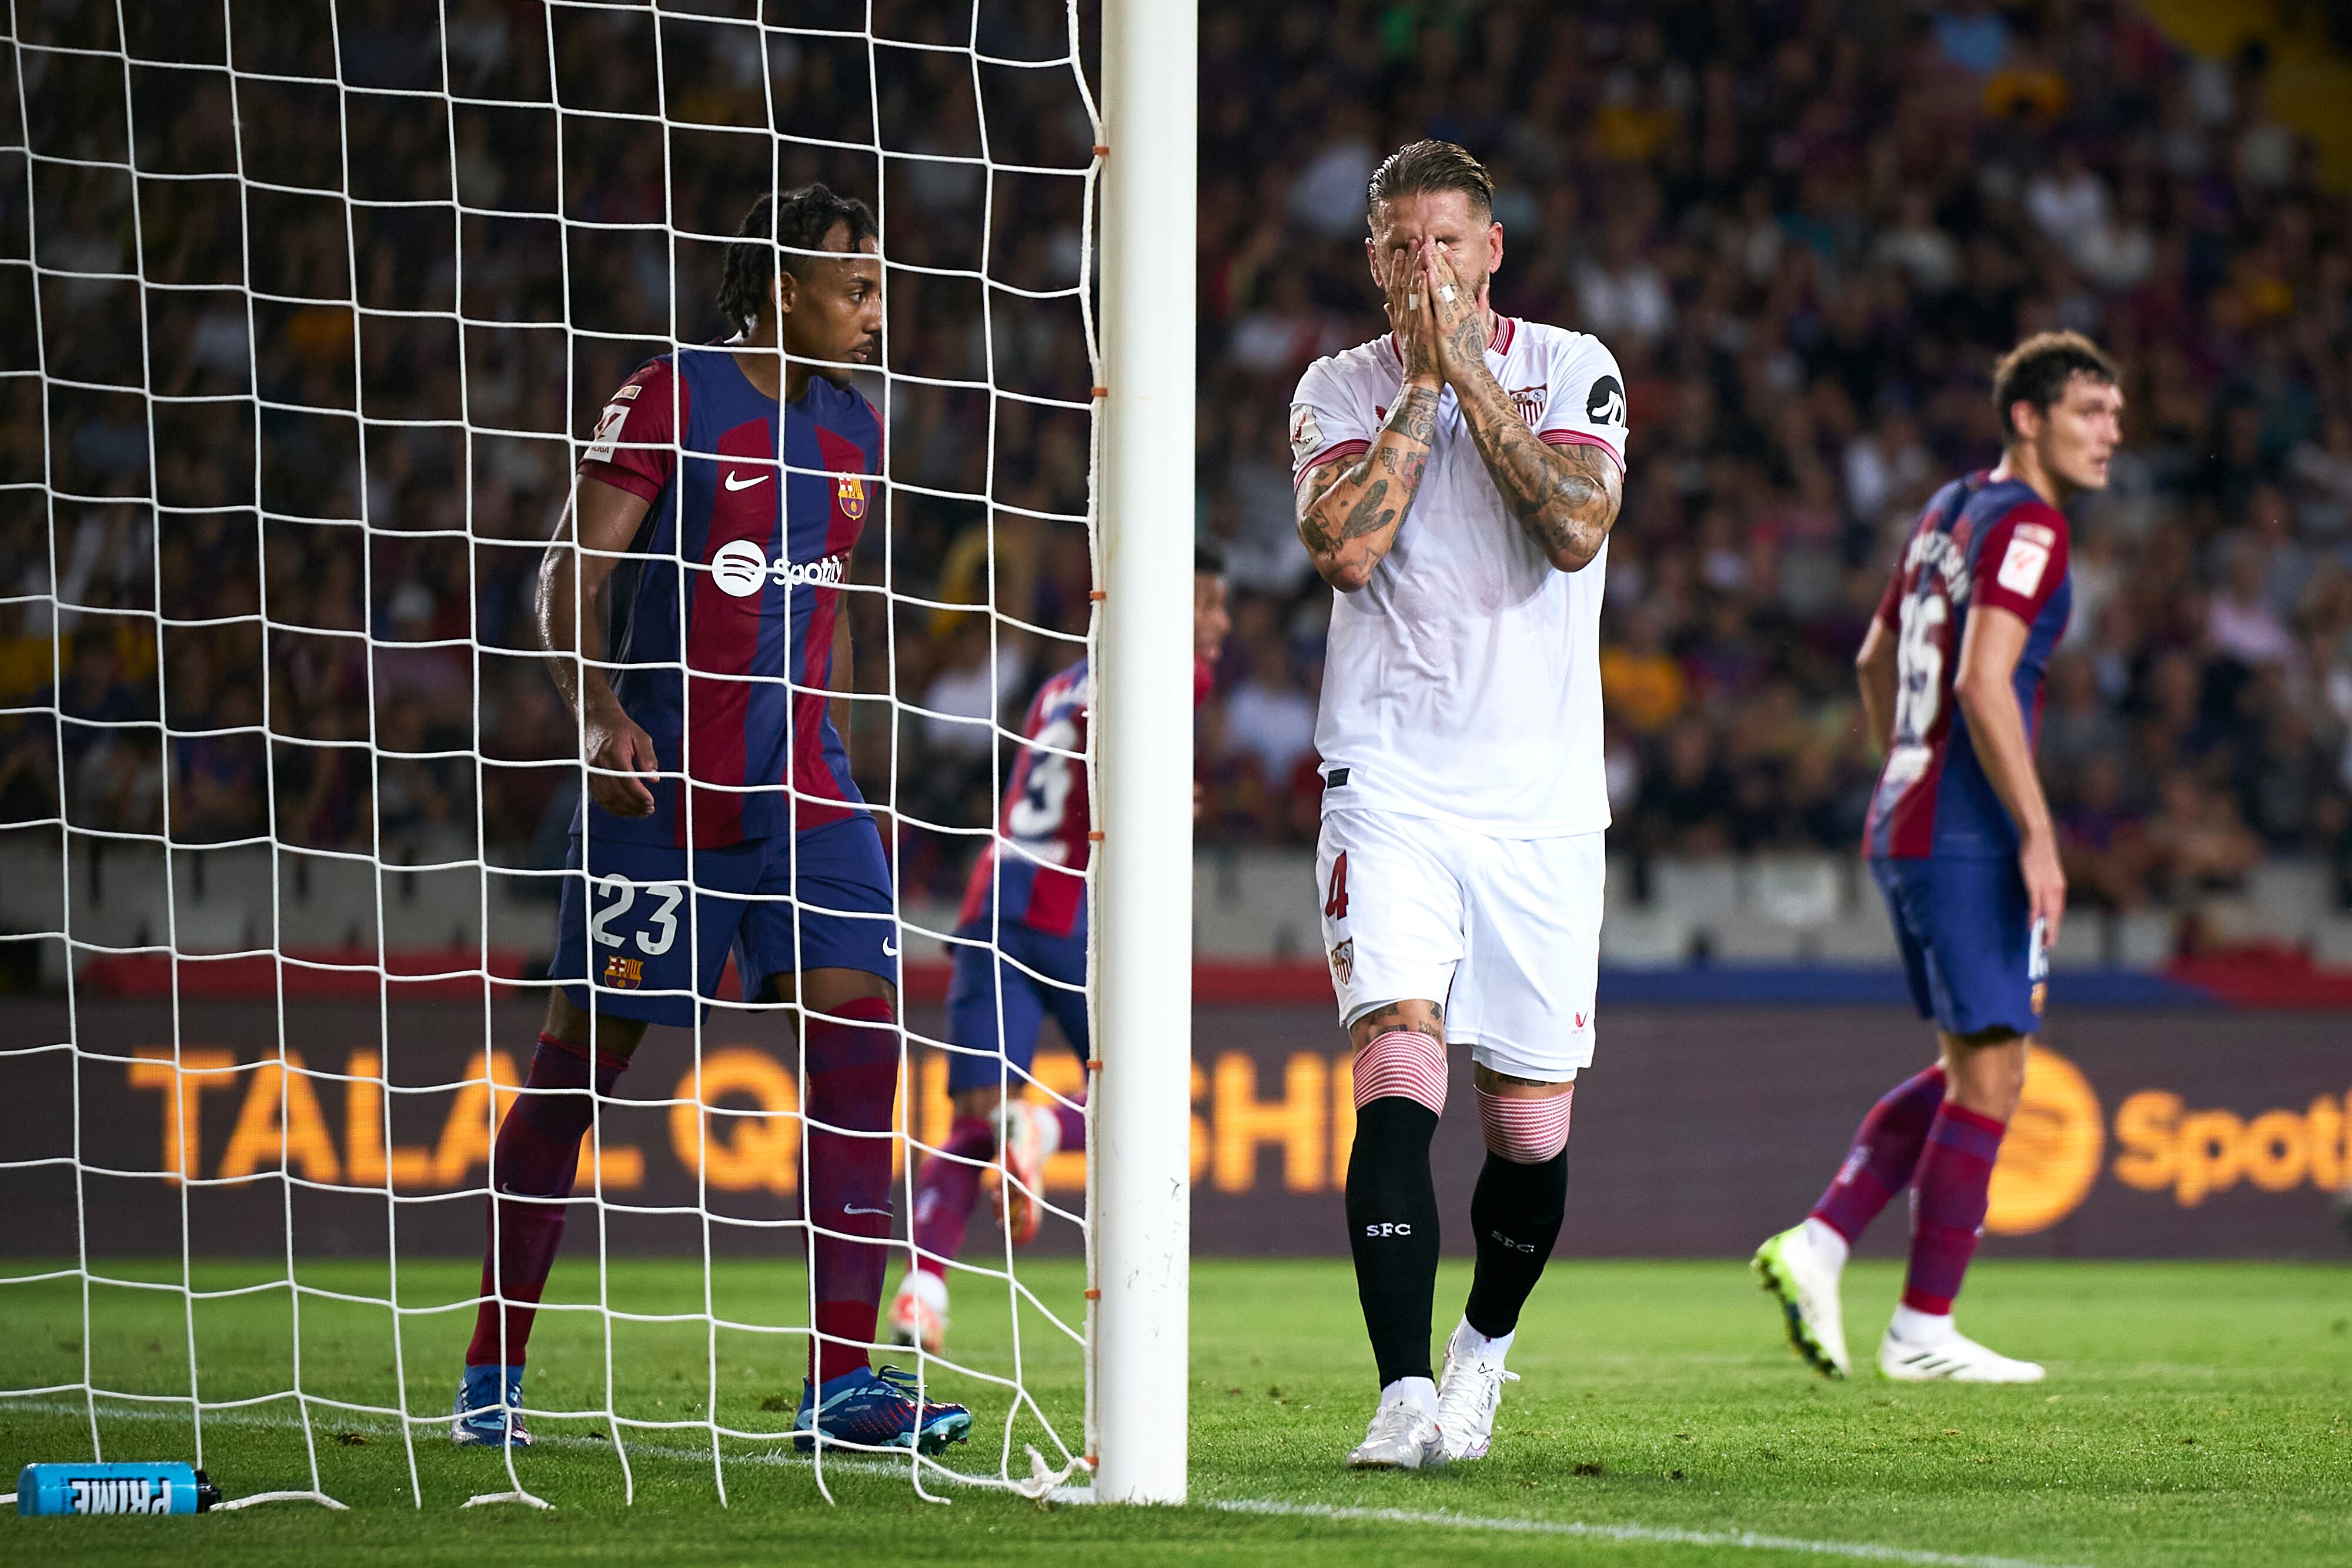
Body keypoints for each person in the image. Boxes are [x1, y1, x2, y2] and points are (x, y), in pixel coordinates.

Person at [450, 185, 970, 1455]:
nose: (877, 312)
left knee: (862, 1049)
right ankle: (490, 1373)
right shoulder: (673, 394)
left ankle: (840, 1385)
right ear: (783, 289)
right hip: (663, 791)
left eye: (880, 288)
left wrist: (850, 758)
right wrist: (594, 716)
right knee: (578, 1071)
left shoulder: (854, 430)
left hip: (807, 795)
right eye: (855, 289)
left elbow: (823, 614)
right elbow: (566, 576)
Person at [1288, 141, 1626, 1469]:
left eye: (1444, 241)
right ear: (1372, 261)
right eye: (1398, 244)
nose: (1422, 264)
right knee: (1395, 1062)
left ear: (1492, 250)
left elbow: (1575, 528)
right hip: (1390, 782)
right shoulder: (1337, 386)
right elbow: (1345, 548)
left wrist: (1467, 372)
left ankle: (1479, 1355)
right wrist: (1424, 386)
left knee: (1528, 1127)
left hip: (1541, 797)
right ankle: (1399, 1389)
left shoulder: (1575, 365)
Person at [1752, 332, 2123, 1383]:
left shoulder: (1947, 510)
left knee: (1979, 1068)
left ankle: (1833, 1252)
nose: (2111, 433)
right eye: (2091, 412)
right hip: (1966, 833)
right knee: (1994, 1072)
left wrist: (1907, 770)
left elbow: (1876, 660)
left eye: (2116, 415)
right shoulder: (2034, 525)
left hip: (1913, 820)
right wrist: (2037, 833)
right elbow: (1981, 680)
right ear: (2028, 418)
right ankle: (1913, 1321)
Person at [886, 546, 1232, 1353]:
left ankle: (921, 1293)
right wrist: (1162, 799)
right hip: (1068, 916)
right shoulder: (1176, 671)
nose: (1218, 623)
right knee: (1147, 1093)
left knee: (979, 1118)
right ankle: (1042, 1132)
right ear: (1163, 604)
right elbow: (1121, 771)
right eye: (1206, 603)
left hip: (991, 902)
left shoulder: (1057, 684)